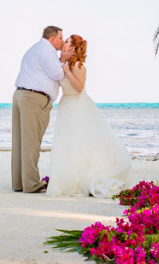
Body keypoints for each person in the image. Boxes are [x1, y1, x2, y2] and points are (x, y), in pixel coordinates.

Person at [47, 34, 132, 197]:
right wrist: (62, 64)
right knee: (67, 143)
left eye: (66, 42)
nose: (63, 43)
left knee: (79, 143)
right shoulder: (63, 64)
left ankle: (82, 178)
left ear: (73, 48)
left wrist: (66, 70)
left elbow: (79, 87)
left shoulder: (79, 66)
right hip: (66, 105)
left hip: (78, 106)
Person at [12, 26, 72, 193]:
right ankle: (31, 184)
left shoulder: (34, 48)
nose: (62, 41)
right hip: (34, 98)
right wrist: (63, 60)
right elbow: (58, 75)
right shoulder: (47, 51)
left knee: (20, 142)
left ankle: (19, 183)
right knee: (31, 143)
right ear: (52, 38)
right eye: (61, 38)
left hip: (20, 95)